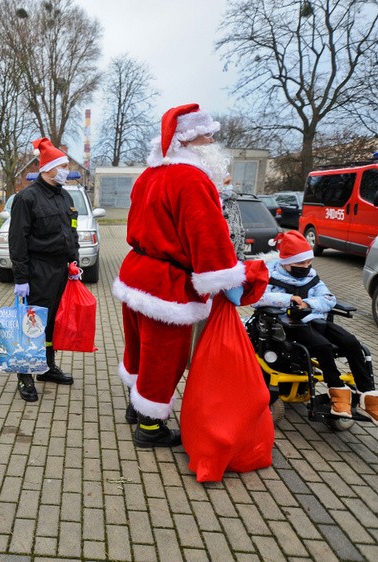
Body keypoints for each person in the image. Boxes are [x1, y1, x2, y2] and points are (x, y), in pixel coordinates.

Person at [113, 103, 265, 448]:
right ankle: (151, 427)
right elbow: (207, 237)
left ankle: (136, 409)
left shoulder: (149, 175)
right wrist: (227, 278)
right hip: (167, 285)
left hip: (137, 273)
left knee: (138, 346)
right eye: (207, 135)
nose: (213, 142)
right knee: (165, 355)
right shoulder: (192, 179)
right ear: (189, 140)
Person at [253, 230, 378, 426]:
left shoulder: (311, 276)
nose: (306, 267)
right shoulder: (269, 275)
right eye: (300, 264)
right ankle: (337, 391)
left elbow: (329, 298)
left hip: (314, 318)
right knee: (322, 346)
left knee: (352, 343)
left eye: (308, 263)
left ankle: (368, 397)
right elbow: (257, 298)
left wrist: (308, 304)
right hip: (285, 324)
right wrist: (288, 300)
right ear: (286, 262)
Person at [8, 137, 81, 402]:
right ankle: (25, 375)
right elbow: (17, 241)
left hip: (60, 271)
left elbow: (70, 233)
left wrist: (74, 261)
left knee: (52, 323)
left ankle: (47, 367)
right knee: (33, 324)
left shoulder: (64, 196)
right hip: (37, 271)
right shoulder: (27, 198)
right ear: (48, 168)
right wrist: (21, 277)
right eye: (63, 165)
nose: (66, 170)